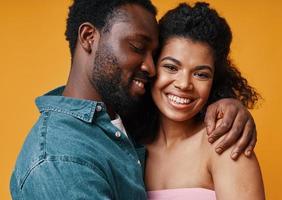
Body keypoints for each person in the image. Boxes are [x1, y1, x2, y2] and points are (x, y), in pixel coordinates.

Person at [10, 0, 258, 199]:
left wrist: (231, 105)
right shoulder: (62, 158)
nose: (148, 68)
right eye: (170, 66)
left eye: (201, 73)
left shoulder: (123, 137)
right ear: (88, 37)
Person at [141, 2, 265, 200]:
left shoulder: (224, 145)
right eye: (171, 67)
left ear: (215, 80)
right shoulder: (130, 146)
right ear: (151, 66)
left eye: (201, 74)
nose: (184, 84)